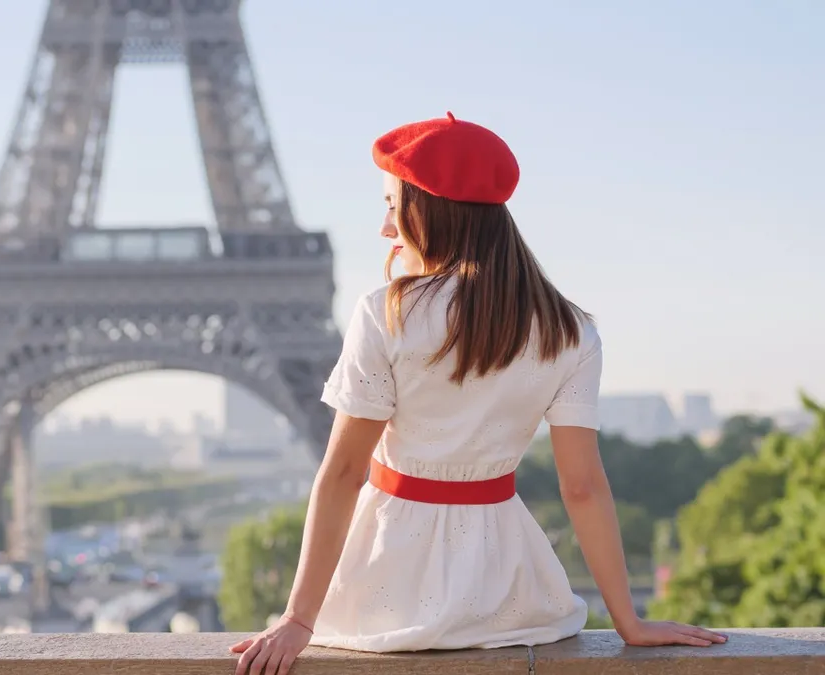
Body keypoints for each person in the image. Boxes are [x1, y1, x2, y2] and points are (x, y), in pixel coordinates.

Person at [230, 112, 727, 675]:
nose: (385, 228)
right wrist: (629, 622)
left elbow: (344, 473)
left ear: (429, 209)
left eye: (393, 206)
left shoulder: (386, 313)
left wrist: (299, 619)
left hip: (386, 580)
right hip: (507, 591)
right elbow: (583, 487)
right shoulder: (571, 331)